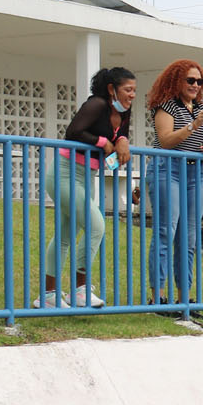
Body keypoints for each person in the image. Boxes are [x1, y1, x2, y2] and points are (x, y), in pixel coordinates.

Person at [40, 67, 135, 308]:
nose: (132, 95)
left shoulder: (124, 110)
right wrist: (102, 142)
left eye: (134, 90)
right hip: (64, 172)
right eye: (127, 89)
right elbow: (73, 132)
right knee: (96, 226)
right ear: (112, 89)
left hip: (87, 174)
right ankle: (78, 290)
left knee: (65, 235)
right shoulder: (97, 104)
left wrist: (122, 140)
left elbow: (120, 134)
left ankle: (49, 296)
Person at [146, 60, 203, 311]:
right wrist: (194, 124)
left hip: (196, 173)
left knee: (189, 237)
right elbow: (166, 141)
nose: (196, 85)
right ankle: (158, 297)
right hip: (169, 169)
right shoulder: (165, 107)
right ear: (176, 81)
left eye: (199, 81)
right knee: (166, 231)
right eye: (190, 80)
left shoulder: (199, 107)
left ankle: (184, 297)